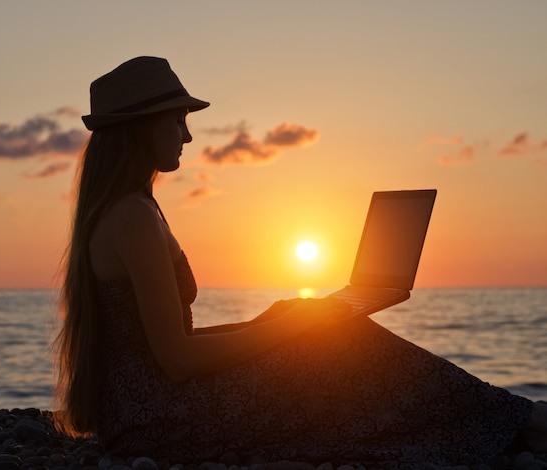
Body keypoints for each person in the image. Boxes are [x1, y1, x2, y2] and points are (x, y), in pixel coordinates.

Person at [53, 56, 547, 469]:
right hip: (158, 417)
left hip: (141, 408)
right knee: (343, 341)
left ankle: (502, 421)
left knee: (327, 334)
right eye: (177, 120)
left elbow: (160, 344)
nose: (187, 135)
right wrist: (294, 328)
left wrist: (274, 321)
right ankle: (517, 422)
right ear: (140, 129)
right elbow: (178, 360)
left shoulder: (130, 208)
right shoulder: (132, 218)